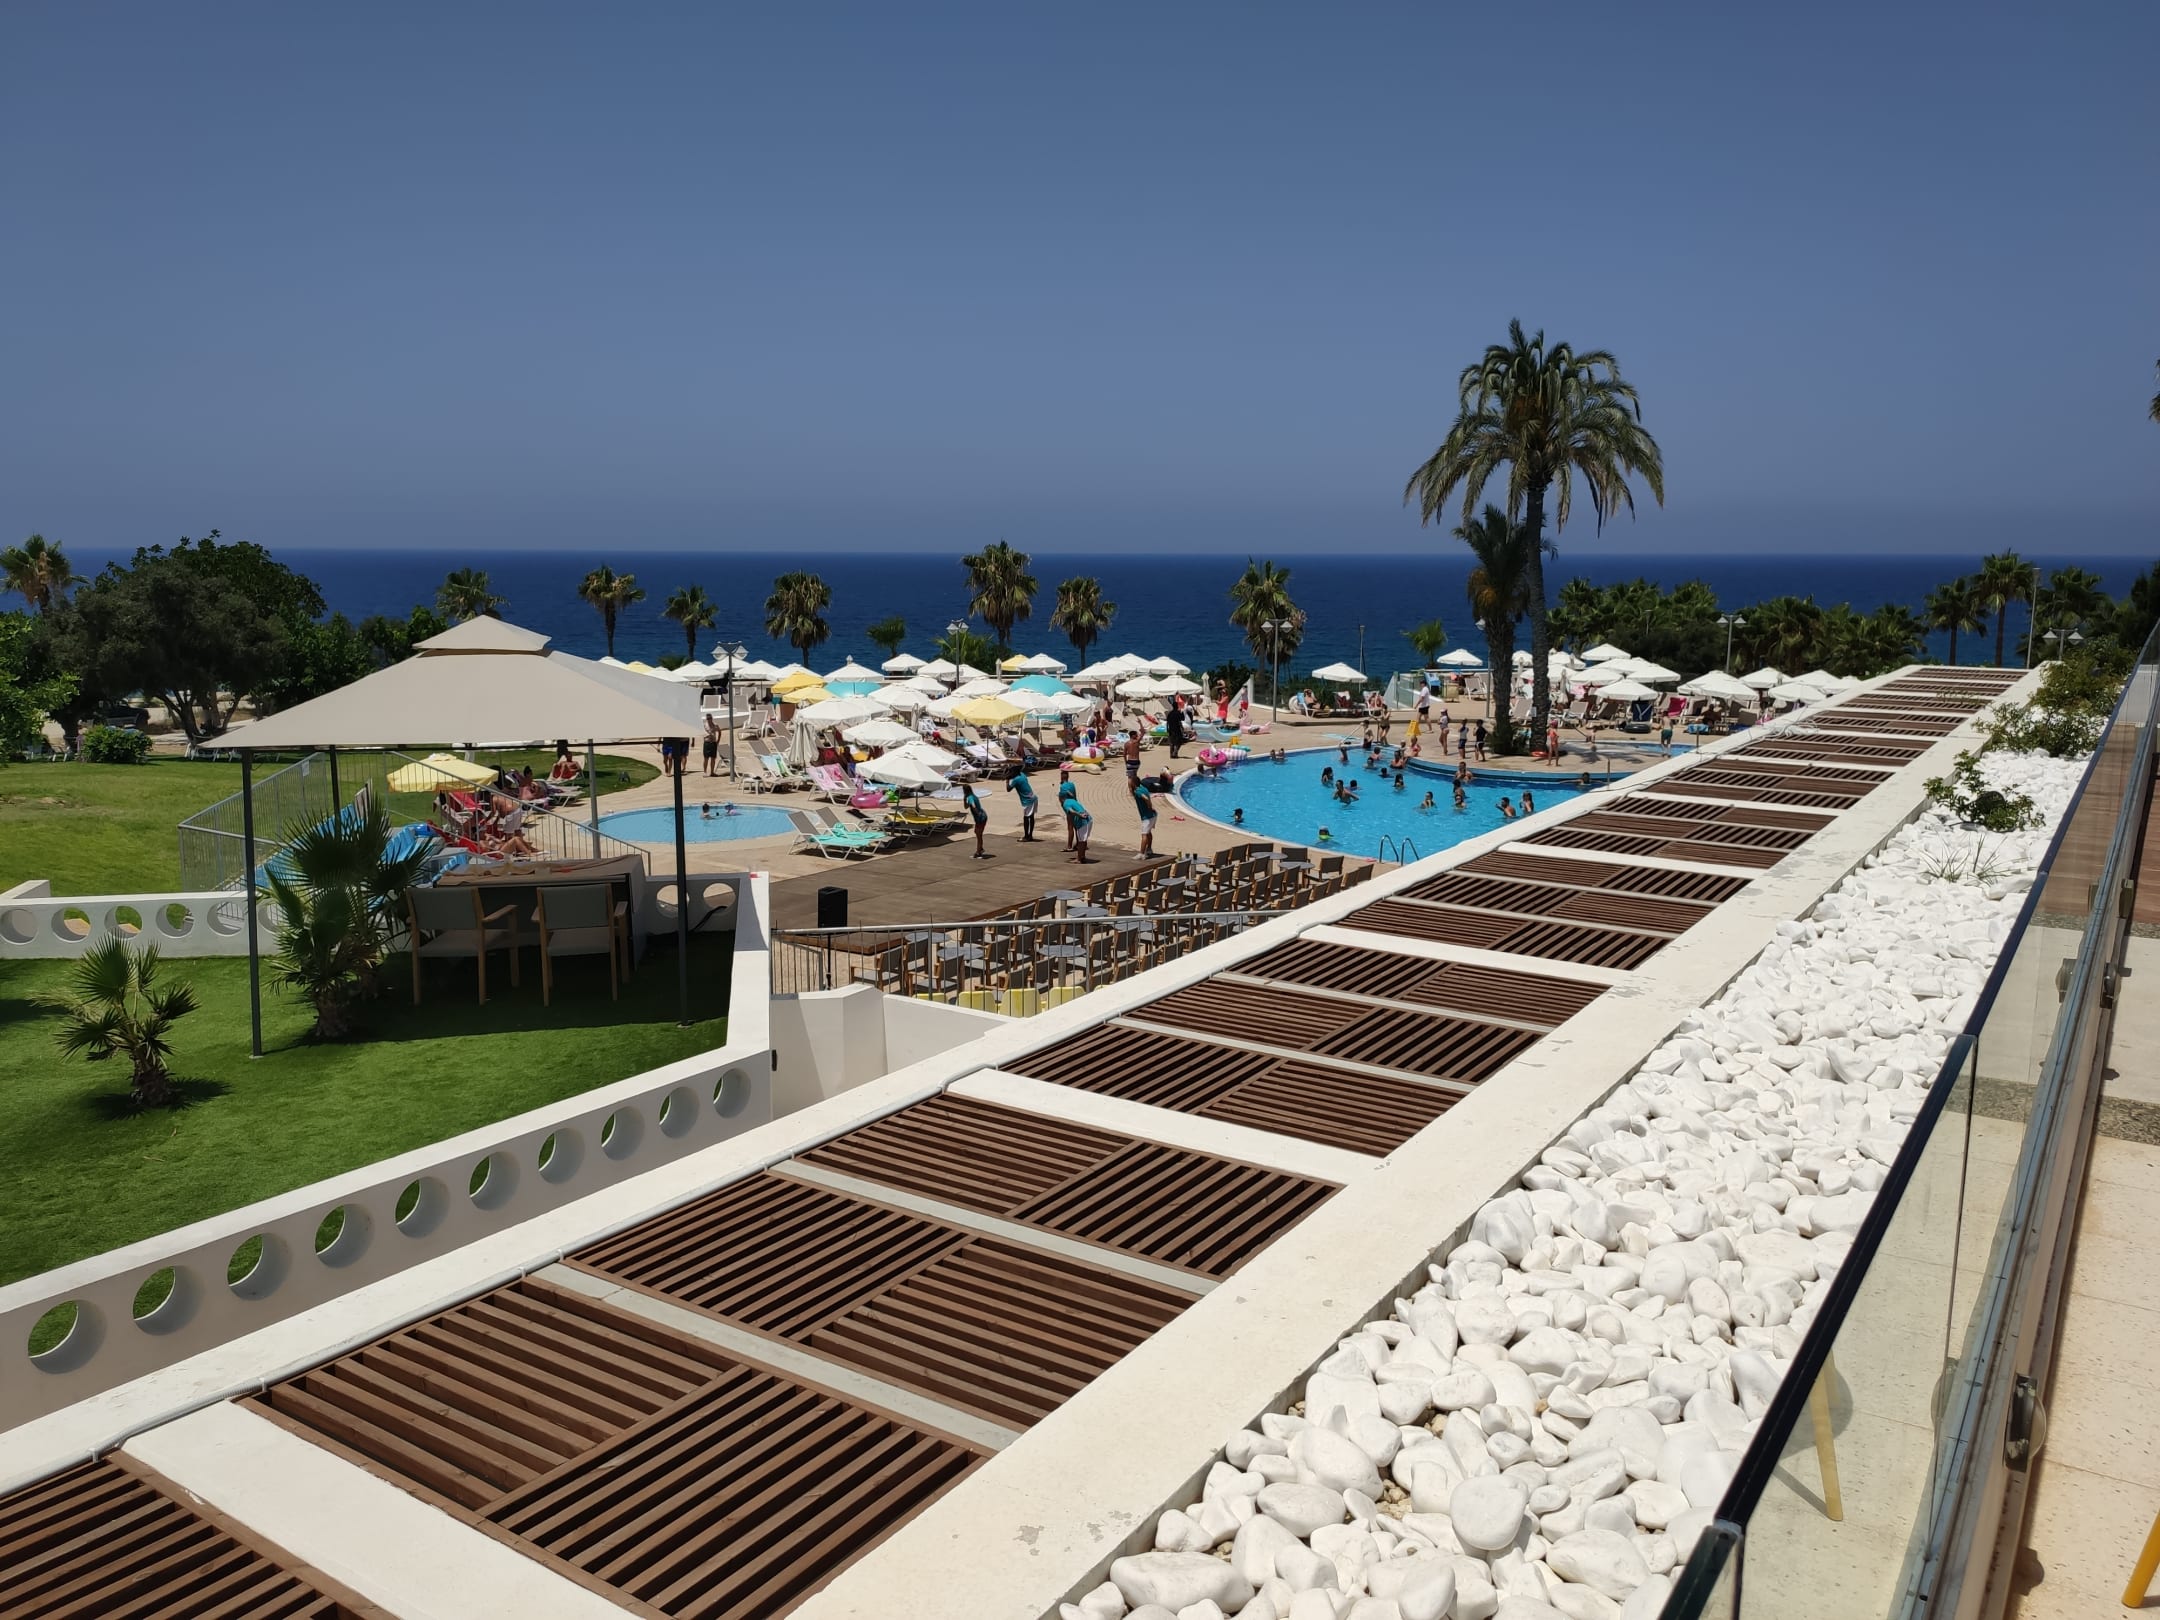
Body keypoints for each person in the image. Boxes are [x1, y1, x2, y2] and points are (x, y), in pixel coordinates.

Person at [1058, 777, 1093, 863]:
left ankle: (1079, 859)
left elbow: (1071, 811)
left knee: (1081, 841)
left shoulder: (1065, 803)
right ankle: (1082, 857)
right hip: (1089, 819)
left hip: (1083, 821)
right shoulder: (1072, 800)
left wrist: (1079, 815)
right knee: (1083, 840)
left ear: (1061, 798)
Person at [1007, 768, 1039, 841]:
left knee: (1026, 818)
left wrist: (1007, 780)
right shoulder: (1022, 775)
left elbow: (1008, 789)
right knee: (1031, 817)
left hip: (1028, 801)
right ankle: (1030, 835)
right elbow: (1018, 772)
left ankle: (1026, 836)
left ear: (1014, 772)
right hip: (1033, 797)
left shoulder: (1016, 780)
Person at [1131, 775, 1157, 858]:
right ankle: (1149, 849)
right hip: (1153, 815)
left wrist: (1149, 805)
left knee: (1144, 834)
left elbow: (1145, 798)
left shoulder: (1137, 791)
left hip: (1147, 817)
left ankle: (1142, 853)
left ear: (1133, 783)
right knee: (1148, 832)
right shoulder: (1144, 788)